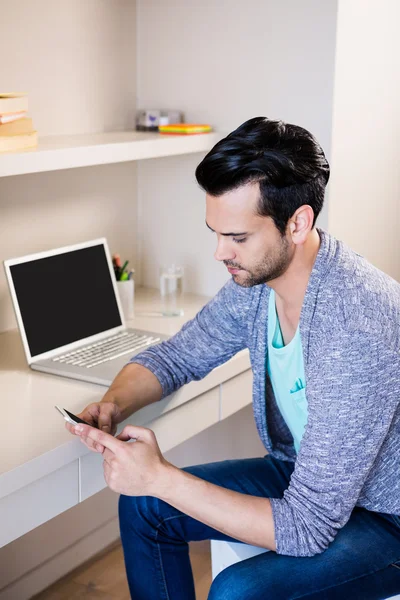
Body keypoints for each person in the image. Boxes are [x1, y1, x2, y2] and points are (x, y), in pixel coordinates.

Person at [66, 117, 400, 599]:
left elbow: (307, 527)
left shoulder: (358, 323)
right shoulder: (258, 283)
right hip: (309, 479)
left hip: (387, 515)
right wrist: (115, 404)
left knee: (236, 591)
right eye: (215, 232)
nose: (221, 253)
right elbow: (178, 355)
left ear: (298, 222)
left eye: (238, 238)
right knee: (144, 507)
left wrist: (159, 475)